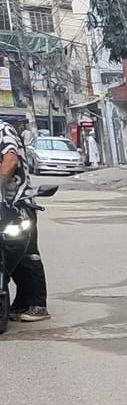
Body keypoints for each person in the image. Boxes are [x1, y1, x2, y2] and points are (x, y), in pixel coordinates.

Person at [0, 125, 50, 321]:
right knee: (13, 258)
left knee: (27, 254)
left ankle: (38, 305)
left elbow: (11, 160)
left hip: (17, 205)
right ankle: (21, 303)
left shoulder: (3, 130)